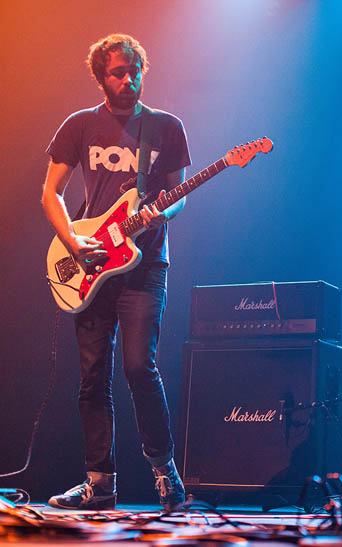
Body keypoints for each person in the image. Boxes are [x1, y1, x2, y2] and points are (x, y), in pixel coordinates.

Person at [41, 34, 189, 511]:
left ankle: (166, 475)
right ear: (100, 78)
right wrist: (71, 240)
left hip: (145, 266)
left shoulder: (166, 127)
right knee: (91, 377)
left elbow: (177, 193)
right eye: (118, 74)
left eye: (135, 71)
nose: (129, 81)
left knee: (138, 367)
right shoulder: (79, 125)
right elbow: (51, 193)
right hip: (90, 264)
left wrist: (162, 214)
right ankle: (99, 483)